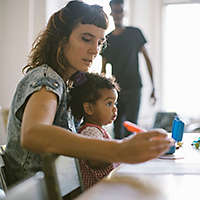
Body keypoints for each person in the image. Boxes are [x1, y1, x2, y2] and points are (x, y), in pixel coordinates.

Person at [4, 0, 172, 188]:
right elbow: (33, 134)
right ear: (61, 39)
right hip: (34, 192)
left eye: (100, 42)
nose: (95, 50)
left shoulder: (67, 83)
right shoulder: (46, 79)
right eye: (86, 39)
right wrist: (119, 149)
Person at [101, 0, 156, 139]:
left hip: (134, 87)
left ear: (123, 12)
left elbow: (148, 60)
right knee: (117, 127)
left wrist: (153, 87)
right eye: (115, 11)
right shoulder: (107, 40)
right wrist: (102, 93)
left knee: (131, 127)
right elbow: (103, 70)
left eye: (120, 11)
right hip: (116, 90)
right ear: (111, 13)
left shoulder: (135, 33)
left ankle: (132, 159)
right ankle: (119, 160)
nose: (117, 14)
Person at [69, 72, 120, 190]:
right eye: (109, 103)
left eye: (115, 103)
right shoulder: (90, 132)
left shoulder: (97, 130)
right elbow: (96, 159)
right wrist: (120, 153)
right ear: (89, 108)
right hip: (97, 193)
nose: (115, 108)